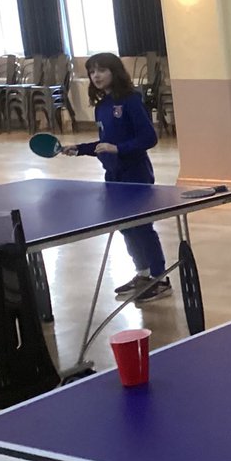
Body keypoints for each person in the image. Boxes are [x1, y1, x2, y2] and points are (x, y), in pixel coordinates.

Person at [62, 52, 170, 303]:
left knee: (142, 227)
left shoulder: (131, 101)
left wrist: (118, 149)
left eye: (102, 70)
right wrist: (80, 149)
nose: (96, 76)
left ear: (114, 72)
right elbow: (105, 143)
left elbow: (148, 138)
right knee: (125, 228)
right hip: (113, 176)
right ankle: (142, 274)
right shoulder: (102, 106)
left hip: (136, 175)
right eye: (92, 71)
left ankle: (160, 278)